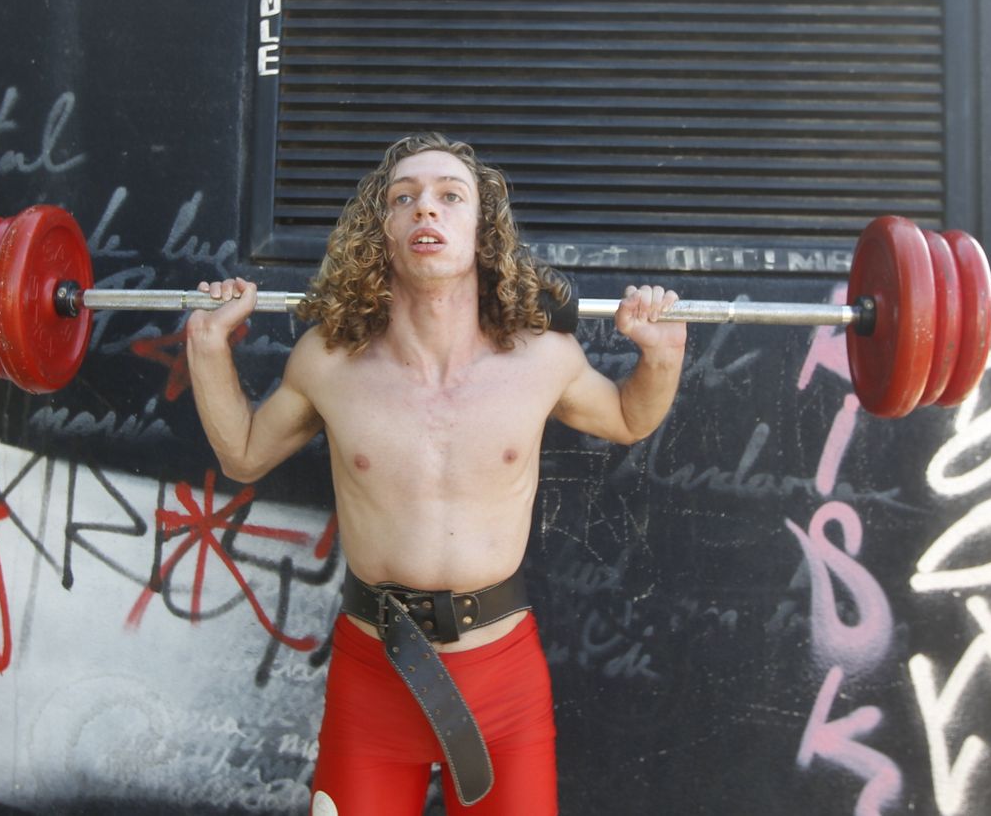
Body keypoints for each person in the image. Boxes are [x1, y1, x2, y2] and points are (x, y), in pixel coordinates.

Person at [186, 133, 685, 816]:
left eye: (451, 196)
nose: (428, 210)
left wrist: (659, 355)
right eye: (405, 198)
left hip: (502, 676)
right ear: (382, 231)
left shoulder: (543, 357)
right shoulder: (328, 361)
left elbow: (629, 417)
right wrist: (209, 348)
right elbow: (243, 453)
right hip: (373, 675)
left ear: (481, 231)